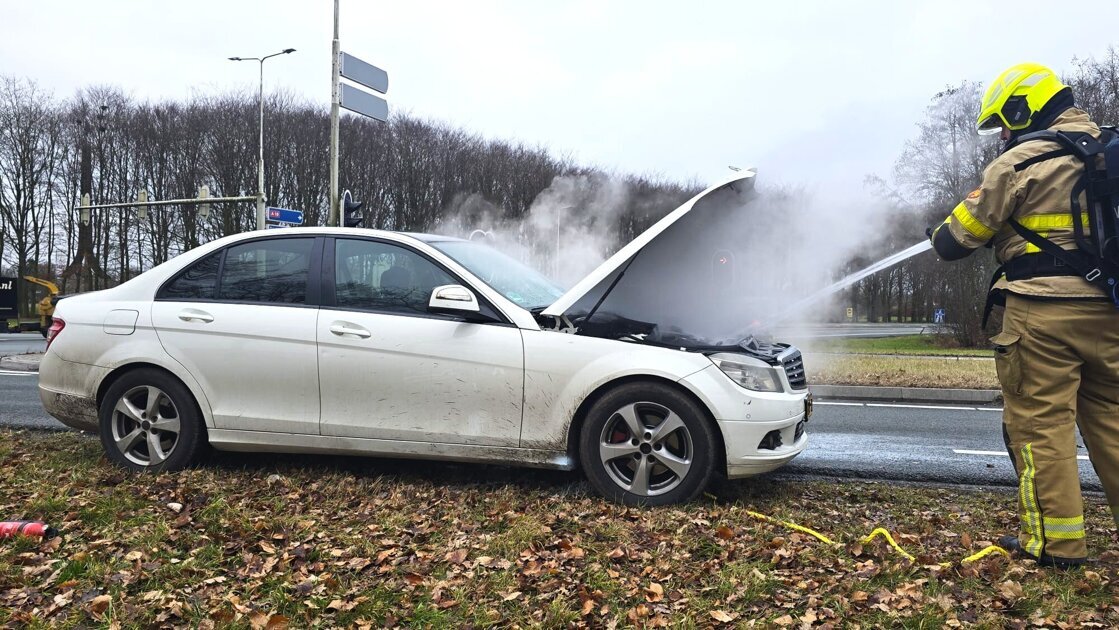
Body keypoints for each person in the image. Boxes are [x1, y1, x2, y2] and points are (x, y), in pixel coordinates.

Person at [929, 62, 1119, 569]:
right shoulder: (1112, 152)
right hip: (1112, 313)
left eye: (1006, 123)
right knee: (1113, 425)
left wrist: (943, 228)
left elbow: (953, 241)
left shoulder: (1020, 163)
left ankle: (1057, 545)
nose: (1005, 135)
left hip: (1041, 318)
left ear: (1022, 108)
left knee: (1042, 430)